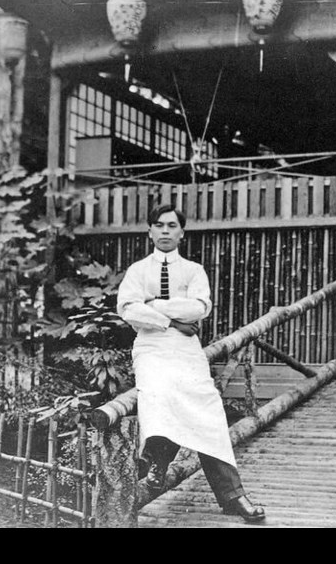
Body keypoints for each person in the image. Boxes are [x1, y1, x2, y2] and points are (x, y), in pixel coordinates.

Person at [116, 205, 266, 524]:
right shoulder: (137, 271)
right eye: (159, 225)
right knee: (160, 395)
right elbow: (129, 309)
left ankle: (232, 495)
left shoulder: (194, 270)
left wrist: (153, 306)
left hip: (186, 348)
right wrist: (171, 319)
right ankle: (156, 462)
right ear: (150, 232)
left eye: (172, 226)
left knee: (208, 412)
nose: (166, 231)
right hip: (152, 348)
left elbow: (199, 308)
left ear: (182, 232)